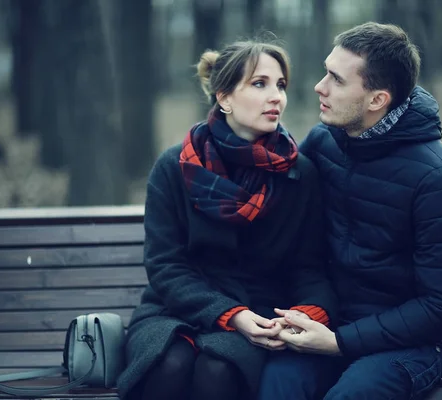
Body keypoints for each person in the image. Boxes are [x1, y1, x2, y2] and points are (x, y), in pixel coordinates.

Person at [258, 22, 442, 400]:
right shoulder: (324, 141)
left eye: (336, 80)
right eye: (326, 71)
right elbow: (286, 221)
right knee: (280, 384)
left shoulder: (439, 178)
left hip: (419, 340)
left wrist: (339, 342)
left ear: (377, 100)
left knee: (354, 394)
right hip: (333, 319)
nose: (319, 87)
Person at [116, 39, 338, 400]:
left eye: (280, 85)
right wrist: (229, 314)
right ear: (224, 98)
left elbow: (309, 266)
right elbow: (166, 265)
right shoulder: (176, 166)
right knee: (168, 363)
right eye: (259, 83)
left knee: (216, 368)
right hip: (176, 307)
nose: (276, 97)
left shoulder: (299, 173)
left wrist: (301, 316)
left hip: (260, 314)